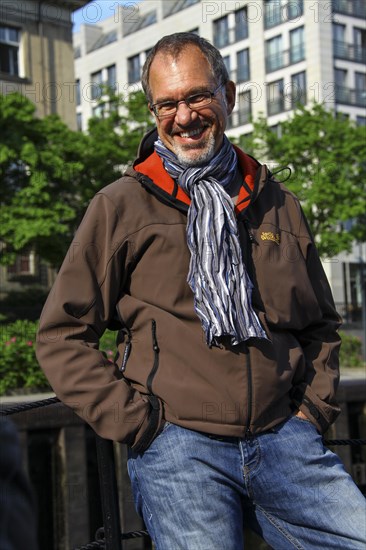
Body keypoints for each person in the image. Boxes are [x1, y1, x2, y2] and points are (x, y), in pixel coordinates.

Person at [36, 32, 366, 549]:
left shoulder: (279, 203)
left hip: (284, 438)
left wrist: (312, 413)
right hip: (179, 447)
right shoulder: (121, 206)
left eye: (197, 96)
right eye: (167, 104)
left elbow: (320, 326)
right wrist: (140, 424)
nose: (184, 116)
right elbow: (61, 335)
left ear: (228, 95)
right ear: (153, 112)